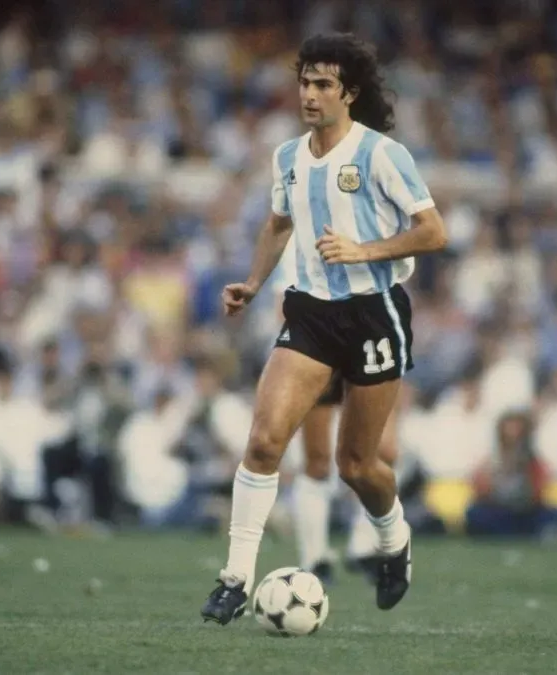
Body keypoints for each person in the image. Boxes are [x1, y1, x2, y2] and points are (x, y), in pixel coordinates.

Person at [200, 33, 447, 625]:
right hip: (310, 312)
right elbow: (278, 224)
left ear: (349, 93)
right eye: (304, 82)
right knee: (265, 442)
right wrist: (253, 283)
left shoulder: (382, 154)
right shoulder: (287, 156)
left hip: (373, 313)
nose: (309, 95)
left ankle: (394, 540)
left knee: (356, 465)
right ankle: (234, 580)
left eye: (323, 84)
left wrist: (364, 250)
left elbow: (434, 232)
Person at [292, 373, 400, 585]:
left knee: (385, 452)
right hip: (326, 358)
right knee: (318, 461)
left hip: (370, 354)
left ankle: (363, 545)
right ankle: (314, 558)